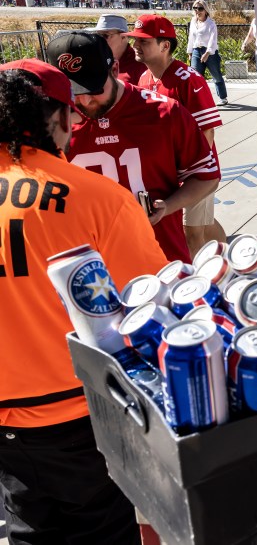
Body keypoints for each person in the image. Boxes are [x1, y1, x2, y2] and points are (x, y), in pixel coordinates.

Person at [0, 60, 166, 545]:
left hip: (7, 420)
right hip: (80, 412)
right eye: (70, 116)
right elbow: (150, 301)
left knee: (27, 525)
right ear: (55, 117)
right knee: (104, 529)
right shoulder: (99, 199)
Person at [47, 31, 220, 264]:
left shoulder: (165, 113)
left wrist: (167, 207)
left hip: (160, 261)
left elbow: (206, 176)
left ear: (115, 70)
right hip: (86, 269)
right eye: (74, 92)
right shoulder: (49, 123)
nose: (85, 101)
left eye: (95, 89)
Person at [129, 14, 226, 259]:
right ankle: (230, 255)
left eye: (144, 41)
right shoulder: (143, 79)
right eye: (134, 40)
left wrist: (191, 172)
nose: (135, 46)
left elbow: (207, 130)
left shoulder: (189, 79)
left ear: (165, 46)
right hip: (169, 171)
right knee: (202, 222)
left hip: (195, 173)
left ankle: (202, 285)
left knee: (191, 232)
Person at [186, 0, 229, 106]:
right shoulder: (193, 21)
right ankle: (198, 99)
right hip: (196, 50)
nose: (197, 11)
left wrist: (207, 53)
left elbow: (213, 40)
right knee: (195, 76)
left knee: (216, 75)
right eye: (195, 8)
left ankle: (223, 97)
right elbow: (191, 38)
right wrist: (190, 51)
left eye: (200, 8)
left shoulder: (211, 23)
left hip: (210, 52)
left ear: (205, 10)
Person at [85, 14, 146, 85]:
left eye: (105, 36)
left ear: (123, 37)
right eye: (98, 36)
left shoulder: (140, 64)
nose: (100, 40)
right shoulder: (96, 60)